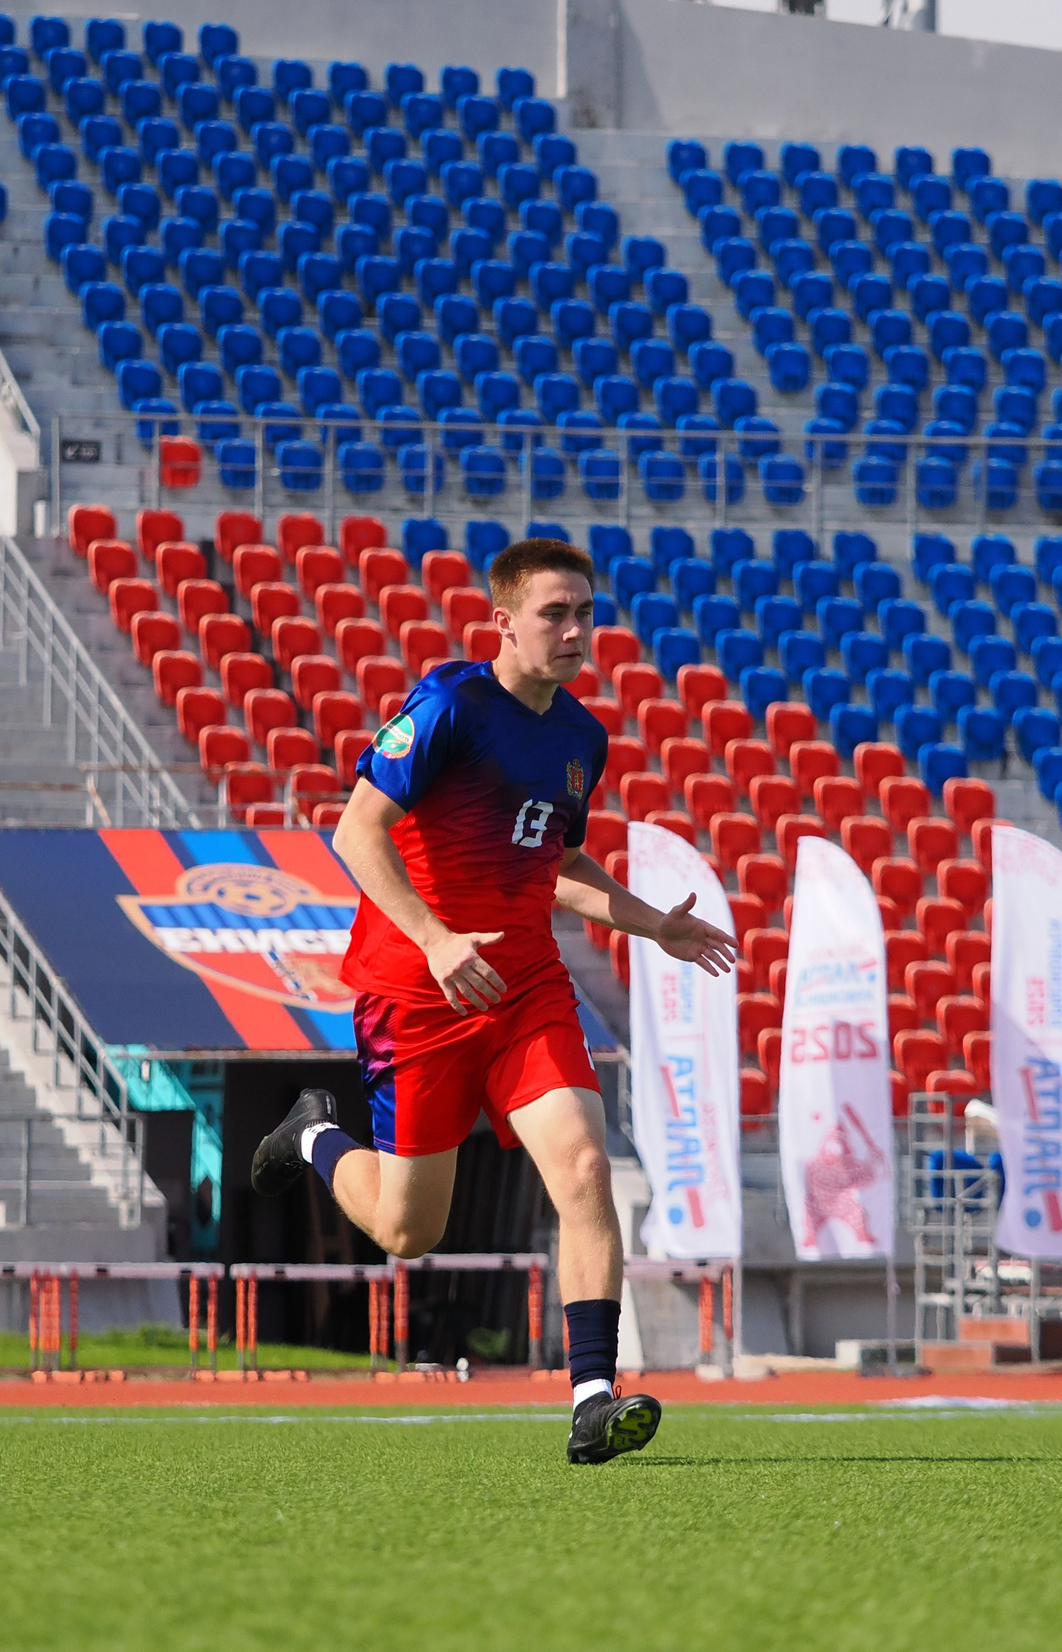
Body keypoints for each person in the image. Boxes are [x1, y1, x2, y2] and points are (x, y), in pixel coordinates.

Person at [252, 538, 739, 1464]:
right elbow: (356, 831)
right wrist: (436, 940)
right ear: (504, 622)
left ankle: (591, 1400)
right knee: (409, 1230)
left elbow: (558, 863)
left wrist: (652, 924)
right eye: (556, 613)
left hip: (524, 990)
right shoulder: (450, 705)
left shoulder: (580, 738)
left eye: (585, 613)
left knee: (585, 1166)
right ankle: (313, 1133)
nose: (575, 630)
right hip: (417, 992)